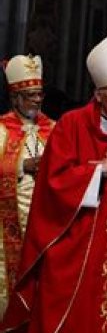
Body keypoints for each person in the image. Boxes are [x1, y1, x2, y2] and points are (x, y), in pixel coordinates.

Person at [1, 30, 107, 333]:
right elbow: (54, 181)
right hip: (76, 236)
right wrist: (100, 171)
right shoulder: (71, 124)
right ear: (98, 92)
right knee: (72, 309)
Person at [0, 56, 54, 316]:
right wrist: (22, 166)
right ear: (15, 98)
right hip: (7, 227)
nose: (37, 100)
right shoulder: (1, 129)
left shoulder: (54, 129)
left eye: (39, 94)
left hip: (46, 221)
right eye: (30, 95)